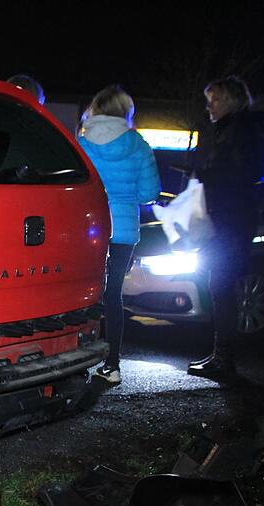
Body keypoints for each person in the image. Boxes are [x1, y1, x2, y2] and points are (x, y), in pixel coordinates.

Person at [188, 76, 264, 380]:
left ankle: (224, 358)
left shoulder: (239, 132)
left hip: (229, 221)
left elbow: (235, 175)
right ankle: (222, 354)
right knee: (219, 285)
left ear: (232, 101)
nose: (210, 105)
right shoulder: (237, 129)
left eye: (216, 99)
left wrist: (206, 174)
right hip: (230, 220)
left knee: (221, 285)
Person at [77, 85, 160, 385]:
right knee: (113, 295)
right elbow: (150, 192)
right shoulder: (137, 144)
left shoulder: (82, 141)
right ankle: (112, 365)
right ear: (126, 112)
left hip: (89, 228)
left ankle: (77, 359)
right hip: (124, 229)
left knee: (84, 292)